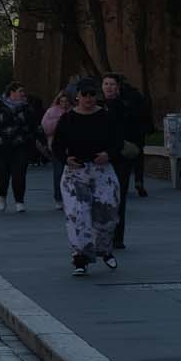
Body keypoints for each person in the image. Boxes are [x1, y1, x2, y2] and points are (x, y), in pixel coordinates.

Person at [52, 77, 124, 275]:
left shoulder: (106, 116)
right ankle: (80, 258)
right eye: (85, 95)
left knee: (107, 212)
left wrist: (108, 154)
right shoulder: (68, 118)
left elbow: (118, 141)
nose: (89, 98)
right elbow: (57, 145)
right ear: (77, 96)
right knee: (78, 214)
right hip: (76, 172)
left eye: (92, 94)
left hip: (102, 170)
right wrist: (66, 159)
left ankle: (105, 250)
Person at [102, 72, 149, 250]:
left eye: (112, 84)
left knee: (118, 197)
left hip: (120, 158)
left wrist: (131, 146)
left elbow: (136, 130)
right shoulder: (97, 106)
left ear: (118, 87)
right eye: (106, 84)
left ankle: (117, 237)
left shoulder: (125, 107)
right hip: (101, 158)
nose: (109, 87)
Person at [0, 81, 36, 212]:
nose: (23, 94)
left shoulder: (26, 107)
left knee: (19, 175)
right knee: (1, 175)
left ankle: (19, 201)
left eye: (23, 91)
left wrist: (31, 140)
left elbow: (33, 125)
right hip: (0, 147)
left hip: (20, 146)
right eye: (20, 91)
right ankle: (2, 195)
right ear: (11, 93)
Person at [40, 89, 72, 207]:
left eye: (66, 101)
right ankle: (58, 197)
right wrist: (58, 120)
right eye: (62, 101)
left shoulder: (74, 111)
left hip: (72, 146)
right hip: (56, 145)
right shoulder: (52, 111)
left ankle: (70, 196)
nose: (64, 104)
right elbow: (45, 127)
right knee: (58, 172)